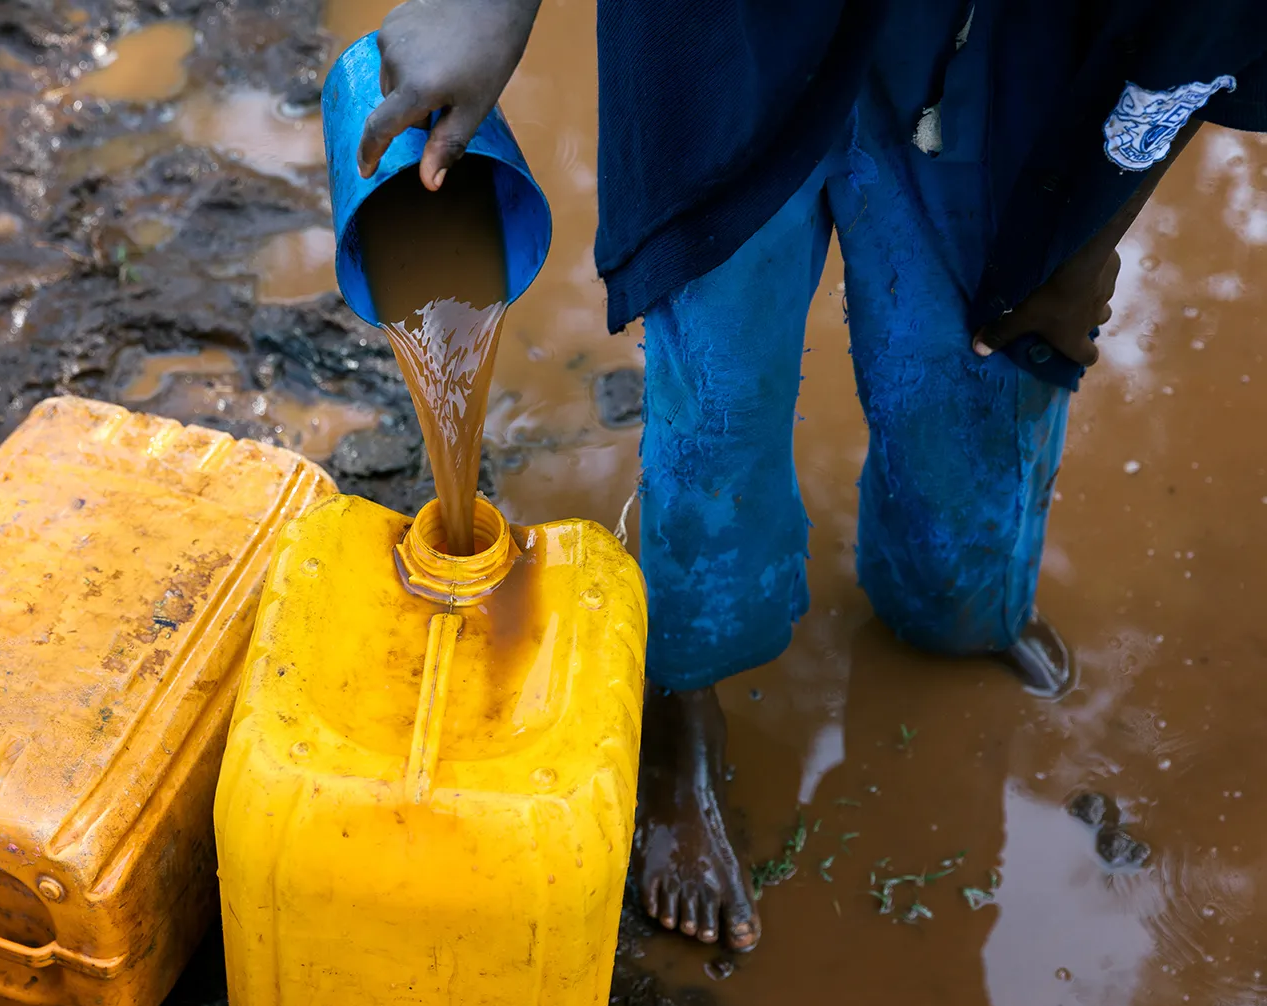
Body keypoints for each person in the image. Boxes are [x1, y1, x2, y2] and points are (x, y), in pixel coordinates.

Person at [356, 0, 1267, 952]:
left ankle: (965, 605)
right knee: (717, 400)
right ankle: (682, 700)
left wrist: (1095, 230)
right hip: (730, 35)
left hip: (991, 35)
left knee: (988, 374)